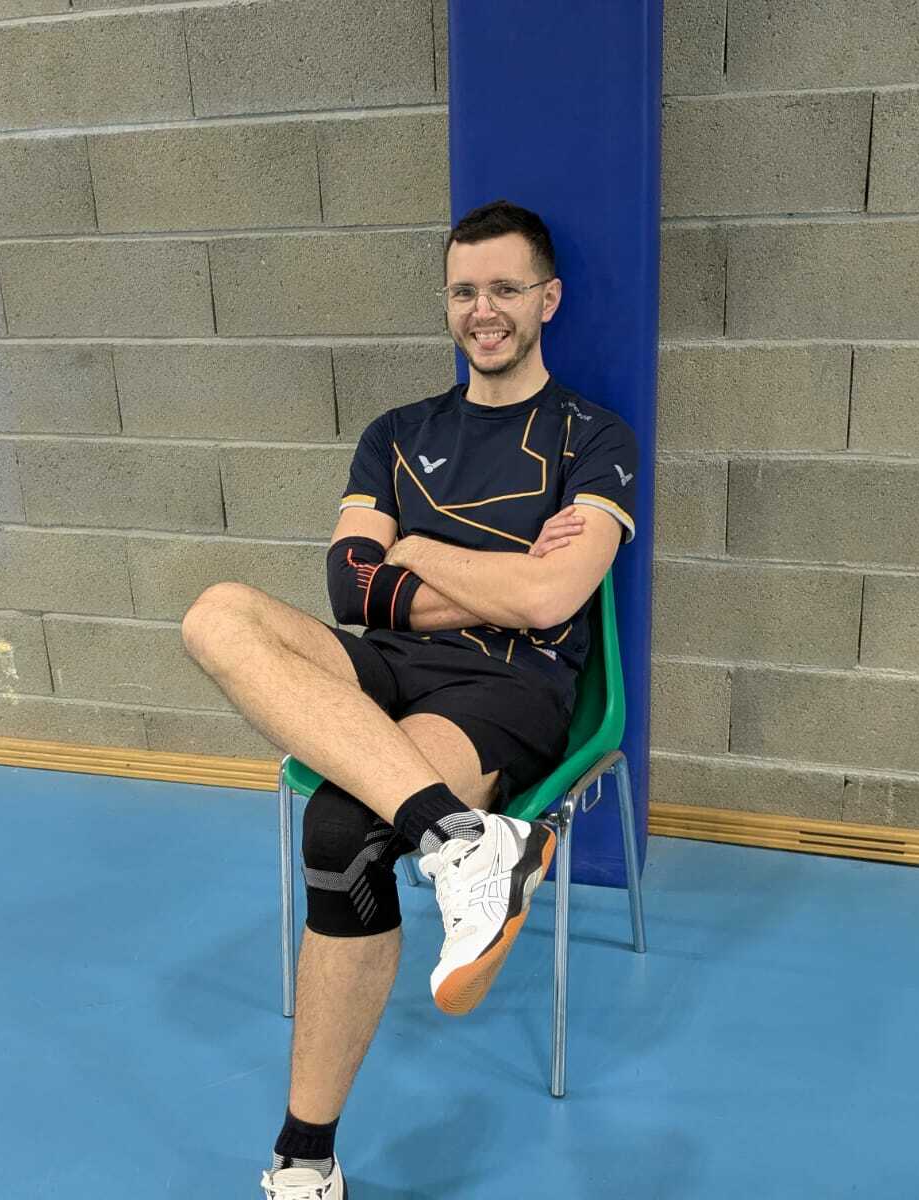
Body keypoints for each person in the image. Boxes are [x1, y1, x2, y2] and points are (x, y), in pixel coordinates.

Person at [180, 199, 639, 1199]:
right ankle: (464, 840)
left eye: (506, 288)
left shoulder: (594, 437)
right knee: (216, 615)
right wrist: (501, 576)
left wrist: (419, 549)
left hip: (506, 687)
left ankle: (305, 1156)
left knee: (342, 835)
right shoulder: (396, 434)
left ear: (548, 299)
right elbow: (350, 588)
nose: (485, 310)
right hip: (384, 667)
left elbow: (552, 601)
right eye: (465, 290)